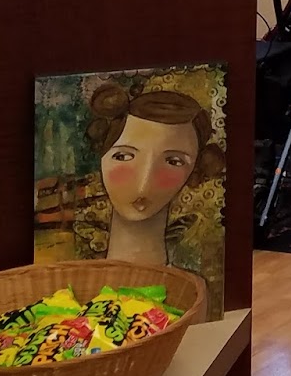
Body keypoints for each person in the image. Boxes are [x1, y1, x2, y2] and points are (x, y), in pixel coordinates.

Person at [85, 84, 225, 271]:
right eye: (123, 156)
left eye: (173, 161)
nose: (144, 184)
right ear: (102, 156)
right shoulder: (71, 279)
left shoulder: (190, 286)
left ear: (195, 169)